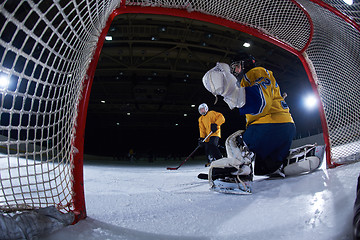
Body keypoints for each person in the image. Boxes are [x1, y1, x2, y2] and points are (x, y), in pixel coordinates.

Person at [201, 54, 324, 193]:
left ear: (245, 64)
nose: (234, 70)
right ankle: (289, 160)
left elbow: (260, 102)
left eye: (236, 66)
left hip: (269, 126)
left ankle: (239, 175)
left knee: (235, 141)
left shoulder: (254, 72)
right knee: (266, 166)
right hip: (286, 127)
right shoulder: (252, 79)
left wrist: (229, 92)